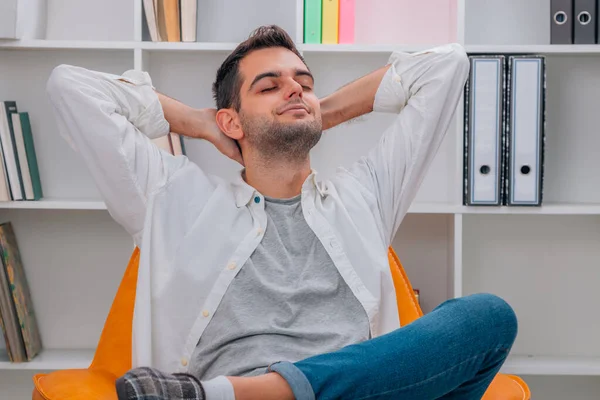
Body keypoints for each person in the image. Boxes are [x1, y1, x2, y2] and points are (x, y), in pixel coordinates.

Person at [46, 25, 517, 400]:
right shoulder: (171, 197)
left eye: (304, 83)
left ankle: (237, 394)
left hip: (333, 393)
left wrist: (316, 111)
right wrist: (200, 123)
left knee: (490, 317)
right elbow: (71, 87)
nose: (294, 90)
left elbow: (447, 66)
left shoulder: (365, 196)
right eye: (270, 86)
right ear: (231, 121)